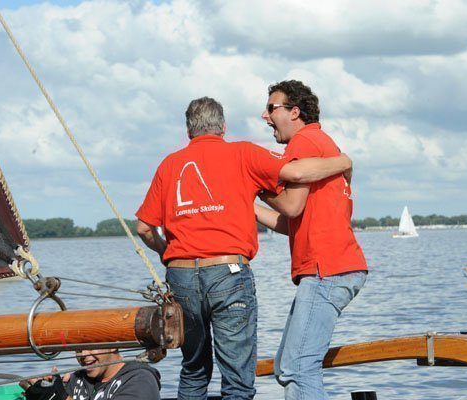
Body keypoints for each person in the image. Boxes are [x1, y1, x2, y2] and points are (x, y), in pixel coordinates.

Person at [135, 96, 353, 399]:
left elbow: (144, 227)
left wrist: (164, 252)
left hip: (181, 274)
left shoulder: (169, 164)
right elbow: (296, 173)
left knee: (194, 371)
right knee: (237, 378)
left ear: (189, 131)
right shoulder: (243, 153)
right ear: (223, 127)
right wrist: (343, 161)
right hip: (227, 271)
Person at [254, 80, 368, 400]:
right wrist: (247, 204)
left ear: (294, 112)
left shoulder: (303, 141)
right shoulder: (323, 143)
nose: (264, 116)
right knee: (285, 366)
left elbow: (291, 205)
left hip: (327, 268)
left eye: (271, 108)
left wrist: (256, 184)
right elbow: (291, 221)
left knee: (299, 368)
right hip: (336, 267)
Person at [23, 349, 160, 400]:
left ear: (113, 344)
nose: (83, 355)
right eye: (78, 349)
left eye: (90, 346)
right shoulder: (77, 379)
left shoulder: (140, 380)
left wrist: (61, 398)